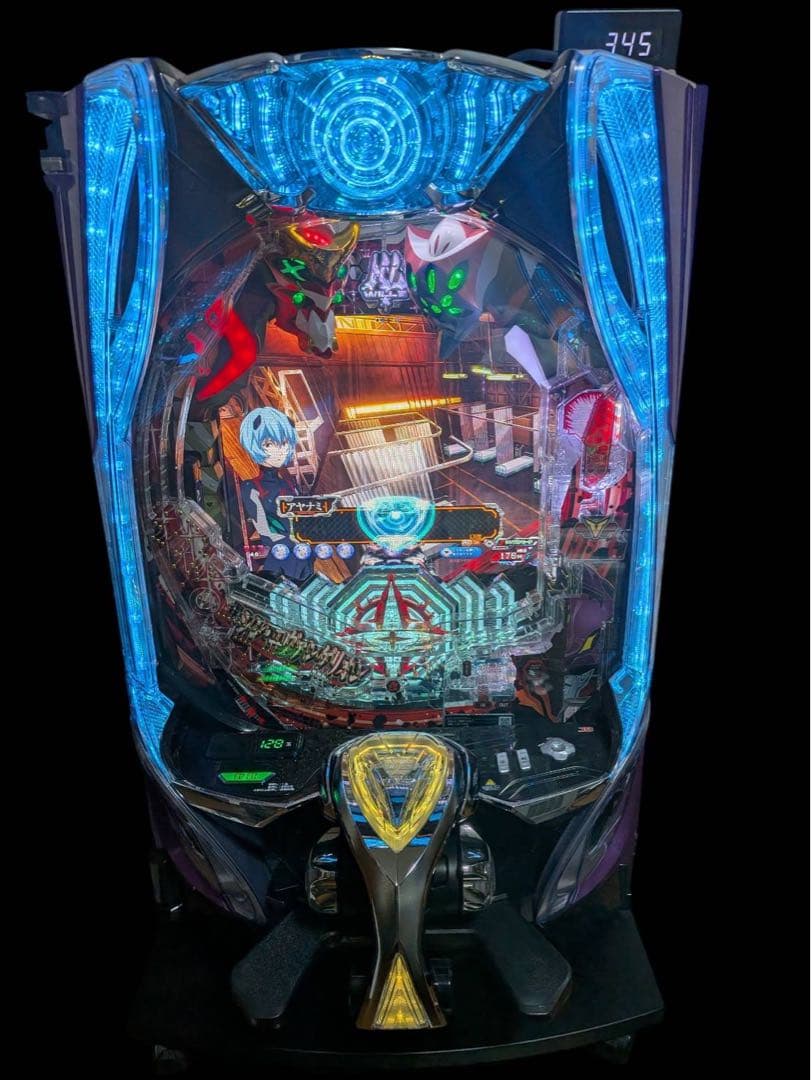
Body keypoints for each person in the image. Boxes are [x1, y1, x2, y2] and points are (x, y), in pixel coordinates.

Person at [238, 406, 313, 582]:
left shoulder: (289, 482)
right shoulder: (251, 487)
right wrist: (296, 540)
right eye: (269, 444)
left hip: (304, 557)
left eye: (285, 443)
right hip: (283, 561)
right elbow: (265, 531)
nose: (280, 450)